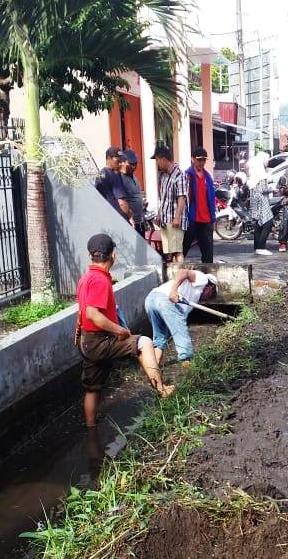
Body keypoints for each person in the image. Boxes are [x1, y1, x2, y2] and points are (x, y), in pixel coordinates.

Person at [76, 234, 174, 427]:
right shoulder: (100, 280)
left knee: (92, 388)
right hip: (101, 340)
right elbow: (92, 313)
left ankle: (91, 429)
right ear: (113, 255)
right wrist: (119, 330)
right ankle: (162, 390)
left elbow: (81, 312)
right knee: (144, 342)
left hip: (88, 341)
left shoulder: (86, 278)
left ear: (90, 257)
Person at [145, 269, 218, 364]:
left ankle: (153, 369)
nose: (208, 300)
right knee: (182, 336)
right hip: (164, 299)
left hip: (151, 299)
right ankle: (188, 367)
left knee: (160, 338)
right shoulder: (203, 279)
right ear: (210, 287)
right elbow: (183, 272)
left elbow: (178, 320)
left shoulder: (192, 298)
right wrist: (173, 291)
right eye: (211, 296)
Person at [151, 145, 188, 263]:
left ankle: (181, 278)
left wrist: (177, 217)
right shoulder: (164, 175)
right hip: (165, 219)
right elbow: (163, 198)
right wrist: (159, 214)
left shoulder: (179, 175)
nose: (157, 163)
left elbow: (182, 198)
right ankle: (174, 276)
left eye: (157, 160)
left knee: (177, 251)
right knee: (169, 252)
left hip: (174, 220)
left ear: (163, 159)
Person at [184, 147, 216, 263]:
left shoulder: (208, 177)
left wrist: (213, 218)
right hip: (191, 220)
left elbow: (212, 199)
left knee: (208, 255)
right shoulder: (187, 176)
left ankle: (207, 278)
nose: (202, 162)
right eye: (199, 160)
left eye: (204, 160)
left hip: (206, 220)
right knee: (182, 250)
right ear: (193, 159)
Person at [247, 151, 274, 256]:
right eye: (267, 159)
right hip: (262, 200)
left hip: (255, 200)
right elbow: (263, 189)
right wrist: (272, 189)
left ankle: (257, 247)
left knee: (259, 224)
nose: (268, 161)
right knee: (268, 222)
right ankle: (261, 247)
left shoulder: (254, 171)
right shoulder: (261, 172)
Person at [95, 146, 130, 219]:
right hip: (118, 217)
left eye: (121, 160)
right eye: (118, 160)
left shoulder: (100, 174)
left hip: (106, 217)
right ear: (108, 158)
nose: (120, 163)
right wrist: (129, 216)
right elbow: (122, 203)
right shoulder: (114, 175)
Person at [120, 150, 145, 235]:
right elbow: (121, 201)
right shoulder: (120, 178)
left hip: (140, 221)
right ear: (123, 162)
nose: (134, 167)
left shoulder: (133, 176)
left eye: (135, 164)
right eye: (131, 164)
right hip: (131, 223)